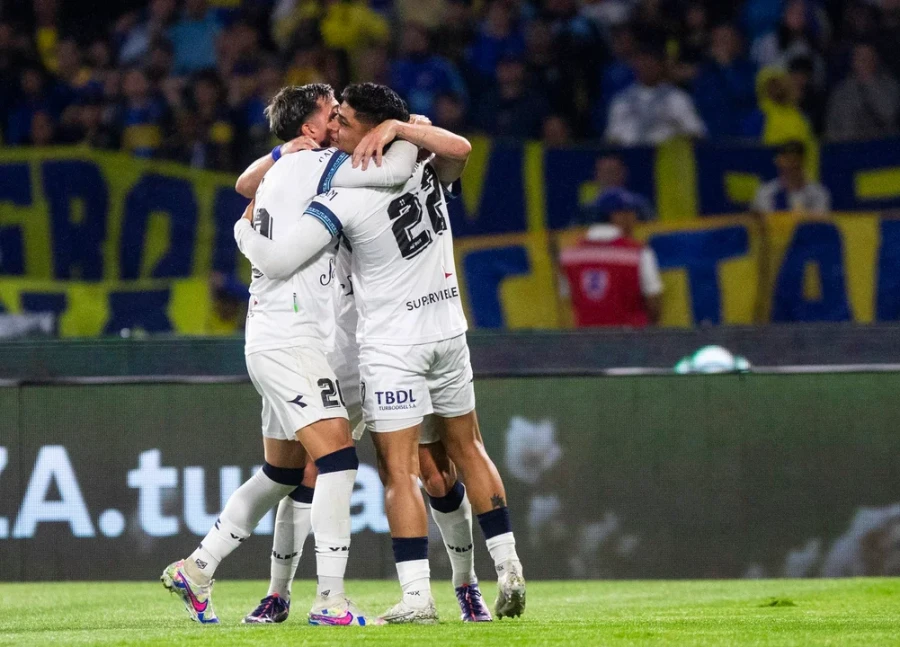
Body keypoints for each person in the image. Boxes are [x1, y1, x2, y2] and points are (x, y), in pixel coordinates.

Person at [234, 83, 526, 624]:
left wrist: (245, 233)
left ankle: (417, 596)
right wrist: (398, 128)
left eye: (343, 120)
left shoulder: (341, 186)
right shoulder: (424, 157)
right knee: (455, 460)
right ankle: (492, 575)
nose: (335, 127)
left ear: (364, 129)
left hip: (387, 344)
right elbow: (457, 147)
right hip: (448, 330)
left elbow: (257, 211)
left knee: (395, 471)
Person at [162, 83, 421, 626]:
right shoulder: (318, 165)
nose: (340, 124)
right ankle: (330, 600)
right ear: (312, 129)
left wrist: (277, 156)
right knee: (339, 460)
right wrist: (395, 128)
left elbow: (245, 183)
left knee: (280, 474)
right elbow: (396, 172)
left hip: (273, 336)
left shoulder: (284, 169)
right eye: (333, 115)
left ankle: (199, 565)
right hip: (291, 341)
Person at [559, 207, 663, 327]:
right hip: (631, 339)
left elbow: (570, 300)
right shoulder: (638, 253)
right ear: (616, 217)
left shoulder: (567, 257)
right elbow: (653, 300)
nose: (634, 220)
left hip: (587, 339)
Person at [605, 39, 706, 146]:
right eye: (642, 61)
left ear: (660, 64)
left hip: (667, 157)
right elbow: (613, 137)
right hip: (631, 156)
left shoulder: (677, 97)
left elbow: (696, 132)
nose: (646, 66)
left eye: (651, 61)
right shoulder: (622, 99)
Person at [825, 43, 900, 142]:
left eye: (867, 57)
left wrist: (870, 83)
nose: (863, 61)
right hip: (850, 148)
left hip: (883, 147)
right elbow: (833, 126)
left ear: (875, 59)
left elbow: (889, 114)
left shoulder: (890, 85)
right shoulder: (841, 91)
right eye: (859, 57)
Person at [751, 140, 830, 218]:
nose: (791, 164)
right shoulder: (765, 193)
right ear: (778, 161)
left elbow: (818, 224)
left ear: (802, 161)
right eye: (787, 159)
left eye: (794, 160)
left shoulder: (817, 194)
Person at [582, 155, 654, 224]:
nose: (609, 177)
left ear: (623, 173)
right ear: (596, 175)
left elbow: (651, 227)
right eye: (605, 172)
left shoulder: (640, 204)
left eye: (613, 172)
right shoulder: (587, 209)